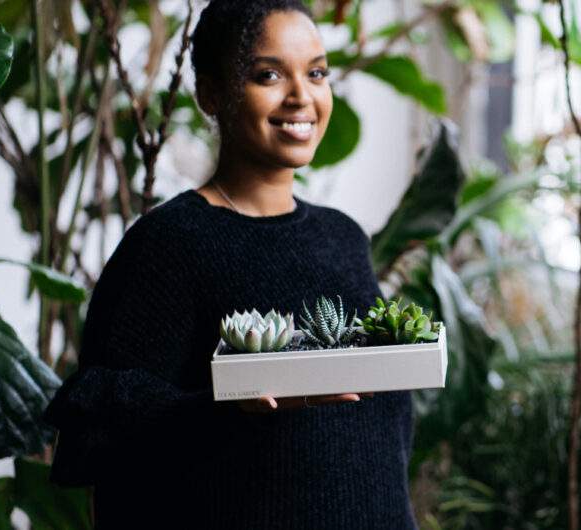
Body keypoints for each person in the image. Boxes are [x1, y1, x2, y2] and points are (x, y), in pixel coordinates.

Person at [41, 1, 418, 528]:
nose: (301, 97)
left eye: (316, 73)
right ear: (211, 93)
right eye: (268, 75)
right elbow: (101, 422)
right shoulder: (171, 242)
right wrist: (225, 405)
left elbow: (377, 443)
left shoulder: (343, 237)